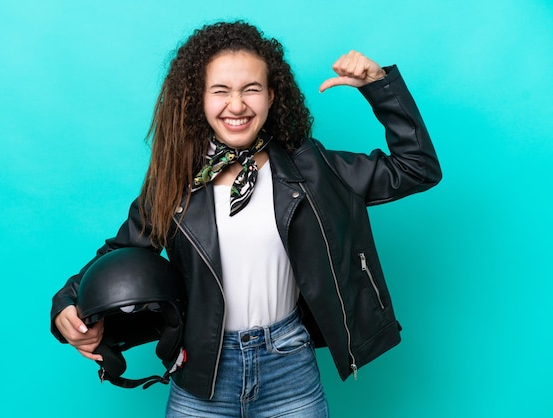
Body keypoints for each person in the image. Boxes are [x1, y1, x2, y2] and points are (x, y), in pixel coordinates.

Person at [51, 20, 441, 417]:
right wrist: (67, 303)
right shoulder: (174, 182)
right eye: (220, 91)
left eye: (251, 89)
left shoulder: (312, 169)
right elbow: (118, 252)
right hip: (202, 368)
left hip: (289, 364)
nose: (236, 105)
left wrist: (379, 86)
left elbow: (417, 167)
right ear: (198, 99)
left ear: (272, 96)